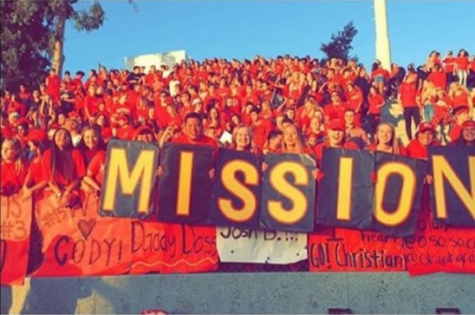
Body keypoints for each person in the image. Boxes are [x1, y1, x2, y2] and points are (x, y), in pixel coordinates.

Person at [42, 128, 86, 208]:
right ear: (54, 138)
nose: (62, 137)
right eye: (59, 135)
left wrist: (67, 192)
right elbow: (49, 179)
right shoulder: (48, 154)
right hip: (55, 189)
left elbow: (79, 177)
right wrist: (59, 194)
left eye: (66, 135)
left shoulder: (76, 153)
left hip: (72, 188)